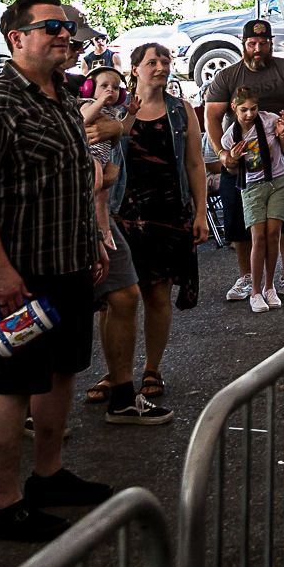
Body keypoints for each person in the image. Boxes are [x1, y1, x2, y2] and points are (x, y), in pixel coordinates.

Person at [0, 0, 113, 542]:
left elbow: (73, 179)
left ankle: (48, 475)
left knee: (63, 370)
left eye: (67, 27)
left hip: (68, 265)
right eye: (51, 28)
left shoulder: (64, 96)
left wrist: (92, 242)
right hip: (18, 275)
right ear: (16, 38)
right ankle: (3, 504)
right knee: (16, 382)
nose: (65, 35)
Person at [106, 44, 205, 412]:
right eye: (152, 62)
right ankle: (116, 375)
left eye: (165, 61)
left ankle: (152, 369)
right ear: (134, 69)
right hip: (122, 213)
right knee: (114, 299)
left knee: (157, 296)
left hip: (167, 212)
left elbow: (194, 163)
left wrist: (199, 213)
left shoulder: (181, 111)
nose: (161, 67)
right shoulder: (116, 110)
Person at [201, 19, 284, 303]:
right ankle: (246, 277)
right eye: (252, 43)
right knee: (239, 219)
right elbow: (211, 116)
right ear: (243, 44)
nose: (257, 49)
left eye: (263, 44)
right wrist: (222, 154)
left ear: (271, 44)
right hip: (241, 159)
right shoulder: (227, 76)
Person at [81, 66, 168, 424]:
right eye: (104, 85)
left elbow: (123, 133)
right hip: (79, 199)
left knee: (124, 295)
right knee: (56, 311)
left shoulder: (115, 114)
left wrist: (124, 119)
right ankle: (26, 405)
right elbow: (82, 125)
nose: (111, 91)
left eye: (115, 86)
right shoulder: (83, 108)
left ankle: (121, 395)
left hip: (100, 201)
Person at [218, 88, 284, 312]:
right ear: (234, 108)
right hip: (252, 186)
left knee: (273, 234)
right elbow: (231, 170)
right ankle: (255, 291)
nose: (249, 114)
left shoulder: (270, 120)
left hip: (278, 180)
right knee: (258, 237)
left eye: (253, 109)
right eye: (244, 110)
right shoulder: (230, 136)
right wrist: (233, 158)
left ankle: (270, 287)